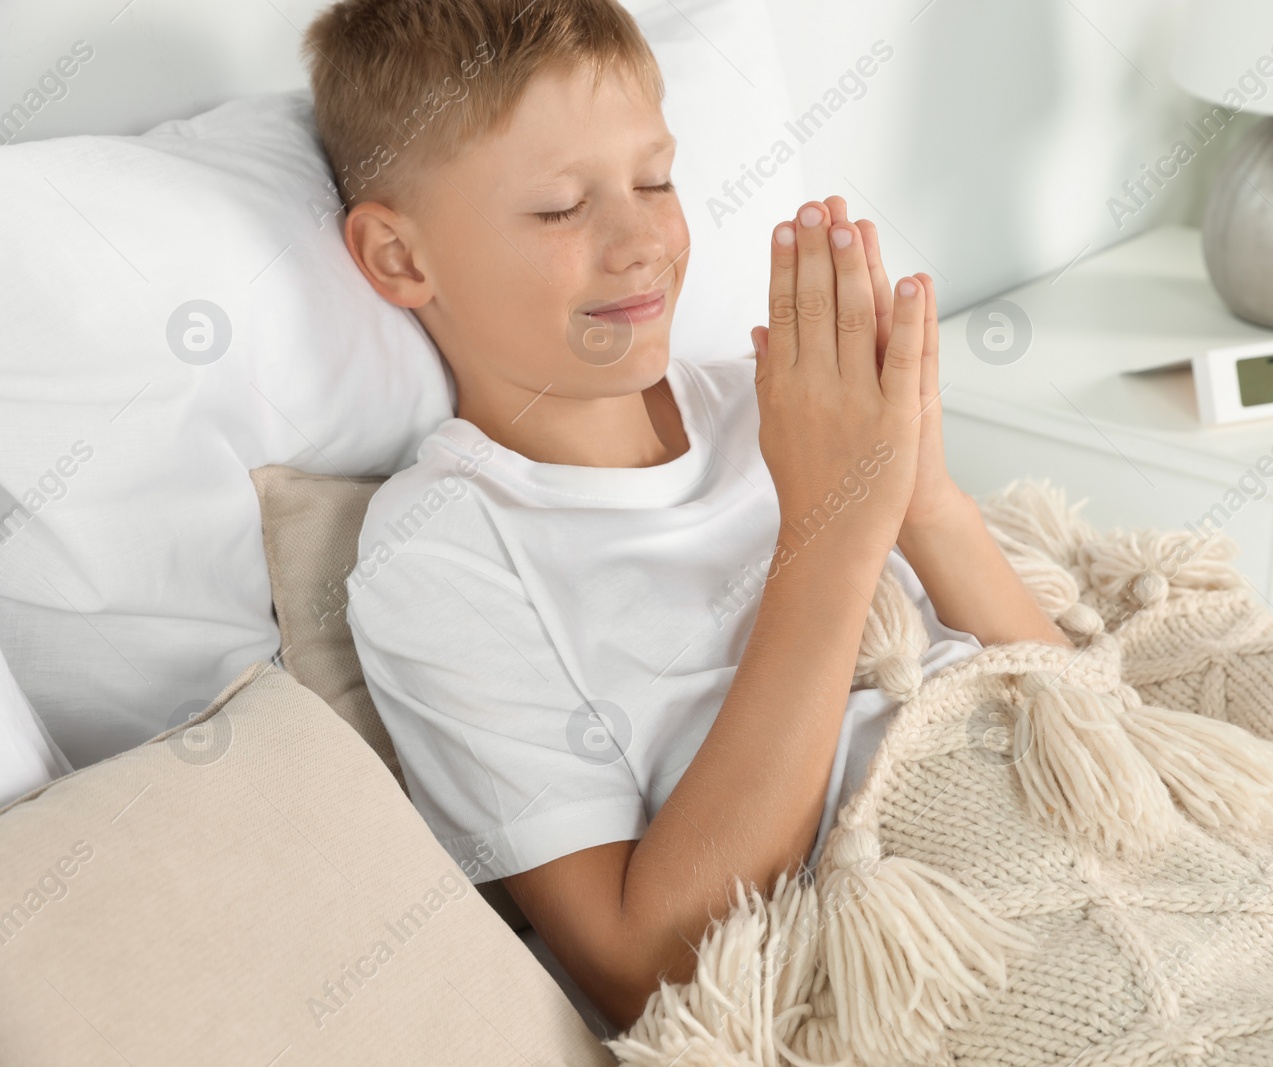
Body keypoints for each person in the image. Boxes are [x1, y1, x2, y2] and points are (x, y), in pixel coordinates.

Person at [307, 0, 1069, 1028]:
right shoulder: (439, 553)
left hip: (1056, 838)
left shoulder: (777, 402)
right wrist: (831, 533)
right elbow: (640, 966)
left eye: (655, 180)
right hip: (919, 954)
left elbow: (1079, 716)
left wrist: (923, 495)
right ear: (400, 259)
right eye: (559, 209)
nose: (640, 243)